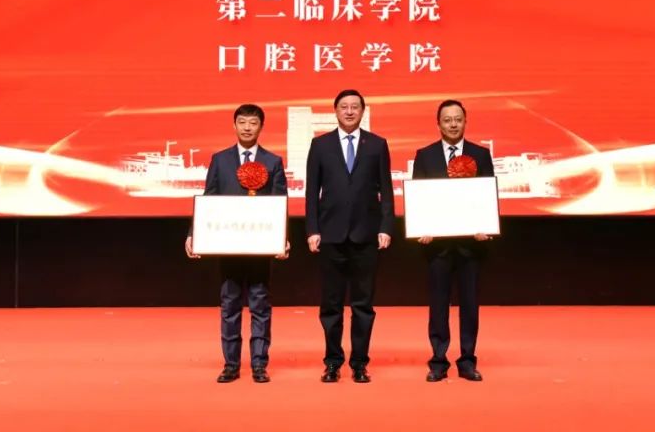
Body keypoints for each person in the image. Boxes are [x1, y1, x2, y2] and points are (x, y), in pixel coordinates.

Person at [185, 104, 289, 383]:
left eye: (253, 123)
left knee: (260, 304)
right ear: (234, 125)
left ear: (261, 127)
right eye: (242, 122)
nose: (247, 127)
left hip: (260, 245)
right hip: (228, 243)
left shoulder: (273, 161)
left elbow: (279, 202)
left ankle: (259, 364)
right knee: (230, 303)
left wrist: (282, 238)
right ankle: (231, 364)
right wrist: (194, 233)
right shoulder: (220, 160)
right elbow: (209, 197)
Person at [305, 89, 394, 383]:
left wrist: (386, 227)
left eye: (355, 107)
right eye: (344, 107)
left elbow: (386, 190)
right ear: (336, 111)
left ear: (362, 111)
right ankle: (332, 362)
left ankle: (359, 363)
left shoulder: (377, 144)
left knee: (363, 305)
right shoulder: (320, 145)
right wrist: (312, 229)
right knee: (331, 305)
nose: (350, 111)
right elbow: (311, 192)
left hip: (366, 235)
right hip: (330, 235)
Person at [411, 99, 494, 382]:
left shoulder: (480, 155)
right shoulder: (425, 156)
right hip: (438, 246)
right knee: (438, 306)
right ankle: (438, 361)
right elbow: (419, 197)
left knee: (470, 305)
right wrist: (421, 227)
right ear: (438, 124)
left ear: (465, 121)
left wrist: (485, 226)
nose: (453, 124)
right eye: (447, 120)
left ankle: (468, 360)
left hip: (471, 244)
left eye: (458, 119)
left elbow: (487, 194)